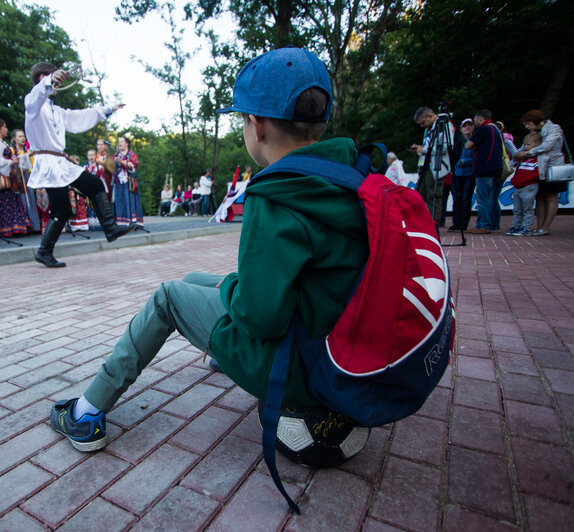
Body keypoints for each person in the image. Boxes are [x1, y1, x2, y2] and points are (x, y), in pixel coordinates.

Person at [48, 48, 369, 459]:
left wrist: (236, 289)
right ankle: (224, 355)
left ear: (256, 125)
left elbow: (261, 317)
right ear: (321, 121)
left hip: (299, 366)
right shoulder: (350, 174)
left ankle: (86, 411)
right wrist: (233, 286)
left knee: (168, 297)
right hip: (337, 344)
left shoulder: (278, 193)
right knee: (195, 281)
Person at [23, 61, 137, 267]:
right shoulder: (33, 104)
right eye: (51, 77)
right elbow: (36, 95)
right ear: (43, 78)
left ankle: (110, 229)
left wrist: (108, 109)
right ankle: (44, 251)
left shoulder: (56, 110)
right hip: (48, 163)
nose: (56, 83)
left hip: (60, 162)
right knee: (61, 210)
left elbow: (80, 117)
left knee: (94, 184)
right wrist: (49, 80)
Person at [514, 109, 566, 236]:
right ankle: (539, 226)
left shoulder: (554, 129)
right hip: (539, 168)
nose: (527, 127)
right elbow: (524, 146)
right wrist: (516, 155)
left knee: (551, 196)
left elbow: (546, 146)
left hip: (553, 167)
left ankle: (546, 227)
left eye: (528, 124)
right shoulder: (535, 132)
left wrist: (526, 153)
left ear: (534, 122)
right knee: (540, 196)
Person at [408, 106, 458, 226]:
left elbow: (446, 147)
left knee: (433, 195)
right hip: (426, 165)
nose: (422, 126)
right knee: (420, 194)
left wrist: (424, 149)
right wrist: (420, 149)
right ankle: (419, 222)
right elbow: (430, 145)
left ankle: (432, 223)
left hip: (437, 166)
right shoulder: (429, 128)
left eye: (423, 122)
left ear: (430, 116)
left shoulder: (445, 126)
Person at [465, 109, 505, 234]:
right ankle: (493, 224)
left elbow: (468, 145)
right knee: (493, 199)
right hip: (496, 168)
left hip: (484, 168)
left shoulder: (484, 129)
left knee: (483, 199)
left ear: (479, 119)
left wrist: (470, 136)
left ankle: (483, 225)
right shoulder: (496, 129)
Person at [0, 118, 30, 237]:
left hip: (10, 175)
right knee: (6, 203)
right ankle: (7, 228)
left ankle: (15, 227)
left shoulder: (1, 142)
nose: (6, 129)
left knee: (12, 201)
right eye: (4, 127)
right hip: (4, 176)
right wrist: (11, 162)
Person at [506, 132, 542, 237]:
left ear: (537, 144)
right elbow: (517, 170)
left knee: (527, 209)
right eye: (525, 144)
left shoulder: (538, 158)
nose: (526, 147)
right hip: (518, 186)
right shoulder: (523, 158)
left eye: (528, 144)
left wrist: (525, 180)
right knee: (517, 209)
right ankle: (516, 226)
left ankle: (526, 228)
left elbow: (536, 174)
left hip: (529, 186)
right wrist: (514, 180)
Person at [10, 129, 43, 233]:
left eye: (23, 136)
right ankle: (22, 225)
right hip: (18, 178)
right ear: (14, 138)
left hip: (28, 176)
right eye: (20, 136)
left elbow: (33, 167)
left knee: (31, 200)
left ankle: (34, 225)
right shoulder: (11, 151)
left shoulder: (28, 152)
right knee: (21, 201)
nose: (22, 138)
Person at [450, 118, 476, 231]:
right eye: (465, 126)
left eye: (470, 125)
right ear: (460, 128)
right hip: (456, 173)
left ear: (473, 127)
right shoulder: (456, 140)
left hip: (469, 173)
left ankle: (464, 223)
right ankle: (456, 222)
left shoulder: (475, 140)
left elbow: (478, 158)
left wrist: (464, 162)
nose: (467, 127)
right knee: (457, 198)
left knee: (466, 198)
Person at [112, 135, 144, 227]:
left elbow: (133, 166)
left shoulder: (131, 154)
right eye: (119, 142)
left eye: (121, 142)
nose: (119, 143)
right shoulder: (116, 155)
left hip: (129, 181)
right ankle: (121, 221)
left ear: (127, 144)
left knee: (129, 198)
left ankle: (132, 221)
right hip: (118, 182)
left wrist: (122, 162)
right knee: (119, 199)